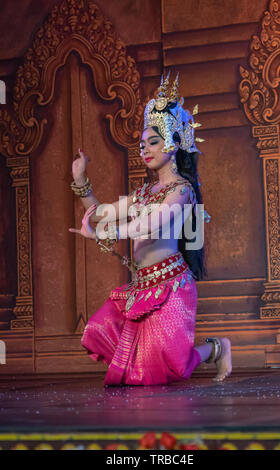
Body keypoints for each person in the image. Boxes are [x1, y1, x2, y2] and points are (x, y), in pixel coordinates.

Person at [69, 73, 232, 386]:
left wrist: (100, 235)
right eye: (142, 144)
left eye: (153, 142)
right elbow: (102, 212)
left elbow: (149, 224)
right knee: (106, 335)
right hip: (142, 287)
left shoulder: (183, 191)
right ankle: (210, 350)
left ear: (173, 144)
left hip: (171, 287)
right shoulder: (142, 193)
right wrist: (80, 180)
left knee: (175, 367)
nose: (145, 149)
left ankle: (216, 348)